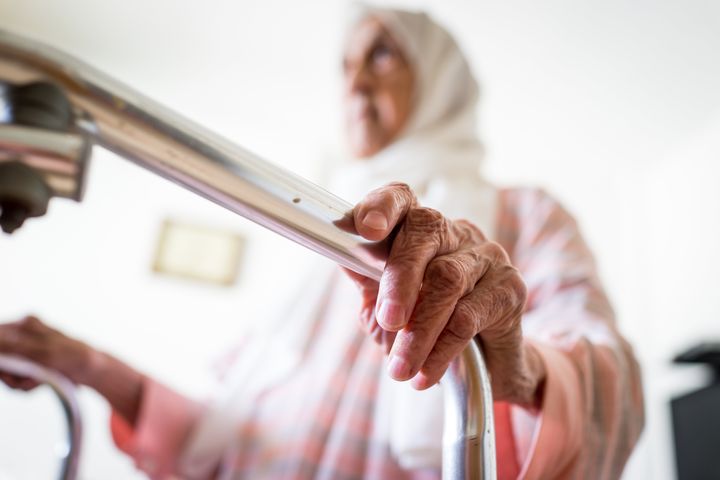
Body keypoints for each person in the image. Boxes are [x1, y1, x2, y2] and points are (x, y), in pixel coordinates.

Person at [0, 5, 644, 479]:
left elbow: (615, 393)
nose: (355, 82)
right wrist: (90, 366)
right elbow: (234, 439)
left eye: (383, 55)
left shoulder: (523, 214)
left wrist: (516, 368)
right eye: (345, 65)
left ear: (440, 80)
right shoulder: (313, 238)